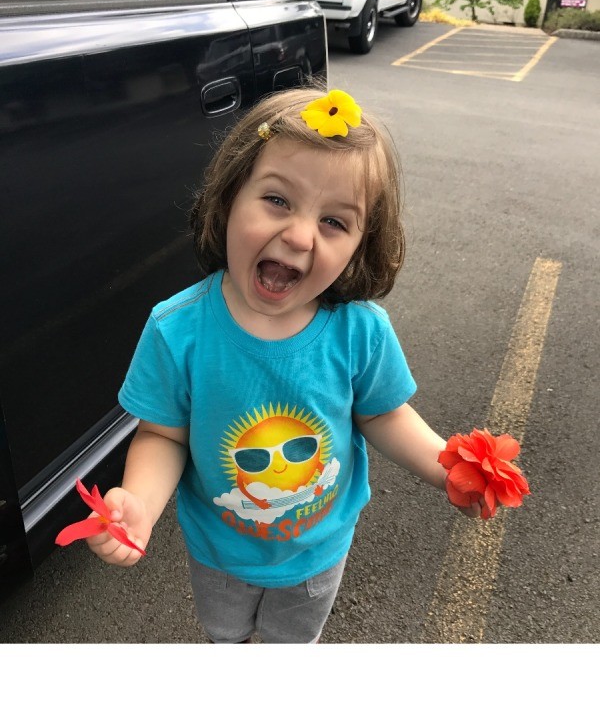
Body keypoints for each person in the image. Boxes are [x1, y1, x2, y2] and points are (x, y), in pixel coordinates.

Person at [86, 87, 479, 643]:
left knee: (289, 652)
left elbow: (385, 416)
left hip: (317, 554)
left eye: (335, 222)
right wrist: (139, 504)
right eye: (277, 200)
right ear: (228, 199)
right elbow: (164, 436)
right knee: (228, 641)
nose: (298, 235)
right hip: (220, 555)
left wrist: (450, 472)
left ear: (360, 246)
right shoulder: (177, 330)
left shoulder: (358, 331)